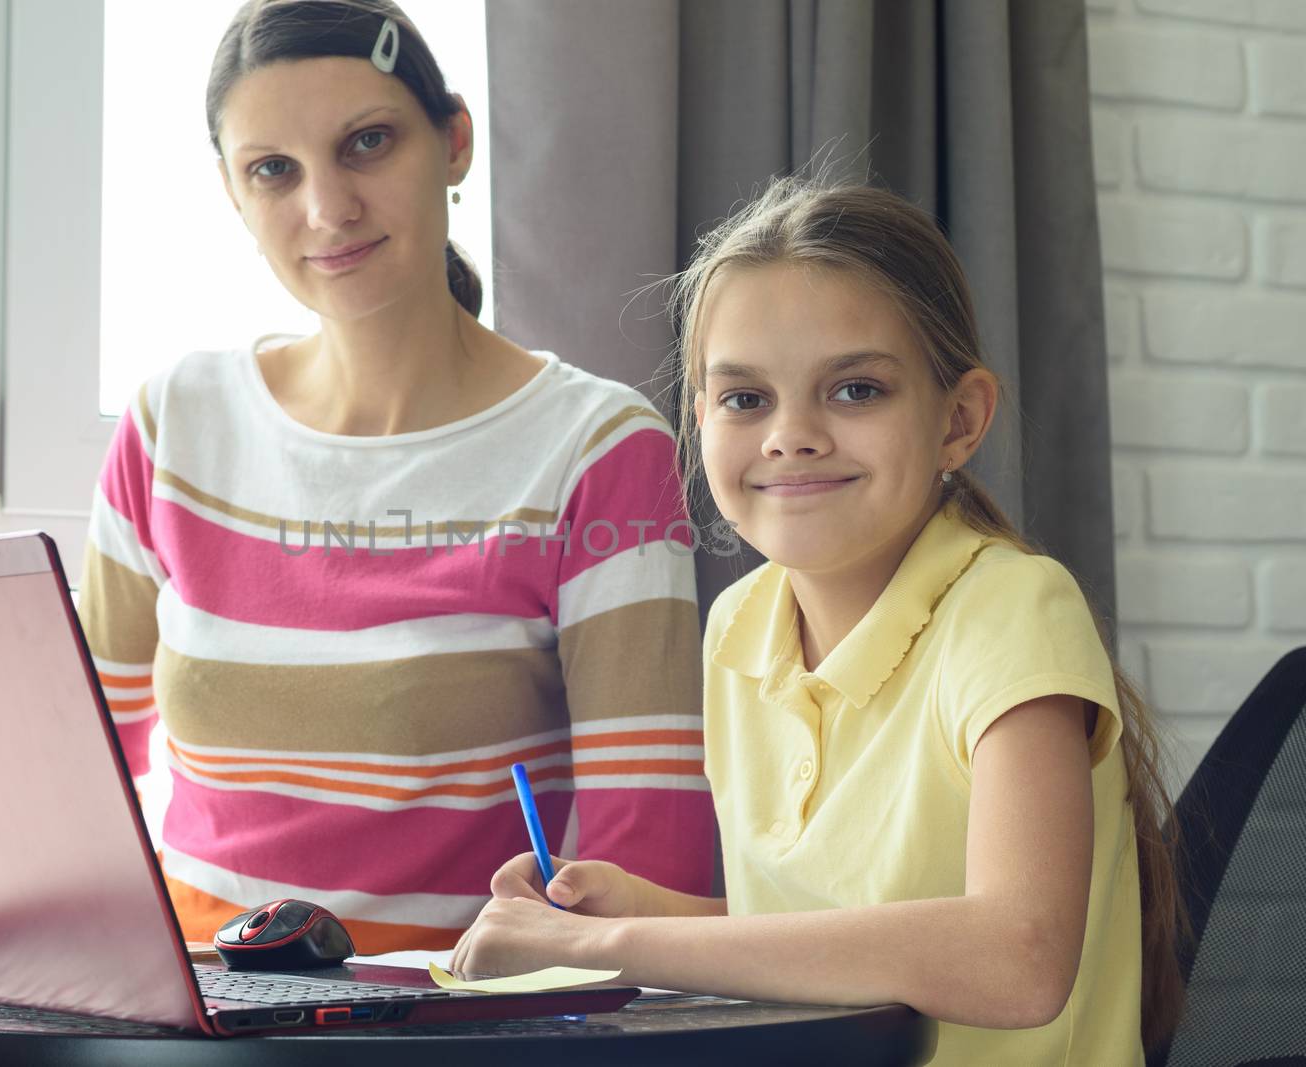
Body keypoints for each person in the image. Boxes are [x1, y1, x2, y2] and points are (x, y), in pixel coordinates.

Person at [452, 176, 1187, 1064]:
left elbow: (1017, 957)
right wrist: (642, 911)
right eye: (746, 399)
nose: (789, 434)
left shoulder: (1012, 609)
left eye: (855, 390)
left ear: (959, 420)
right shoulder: (738, 628)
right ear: (701, 421)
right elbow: (819, 939)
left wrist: (604, 950)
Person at [76, 0, 715, 955]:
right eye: (274, 171)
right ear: (231, 191)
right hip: (193, 1001)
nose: (327, 210)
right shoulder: (175, 422)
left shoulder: (597, 446)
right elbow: (71, 778)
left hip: (449, 1015)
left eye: (367, 143)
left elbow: (647, 868)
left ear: (453, 142)